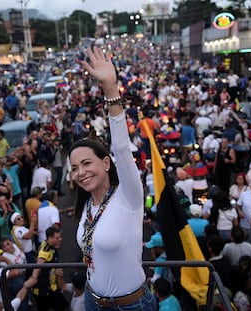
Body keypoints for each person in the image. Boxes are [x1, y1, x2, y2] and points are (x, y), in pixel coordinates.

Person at [67, 46, 155, 311]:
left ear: (106, 163)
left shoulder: (128, 195)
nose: (80, 172)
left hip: (132, 306)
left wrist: (111, 91)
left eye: (86, 163)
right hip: (94, 301)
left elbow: (121, 148)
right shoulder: (87, 205)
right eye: (74, 168)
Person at [26, 226, 69, 311]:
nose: (60, 239)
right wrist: (34, 277)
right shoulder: (45, 251)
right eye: (57, 238)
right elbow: (39, 263)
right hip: (44, 291)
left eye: (60, 237)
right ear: (50, 238)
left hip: (51, 287)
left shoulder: (48, 244)